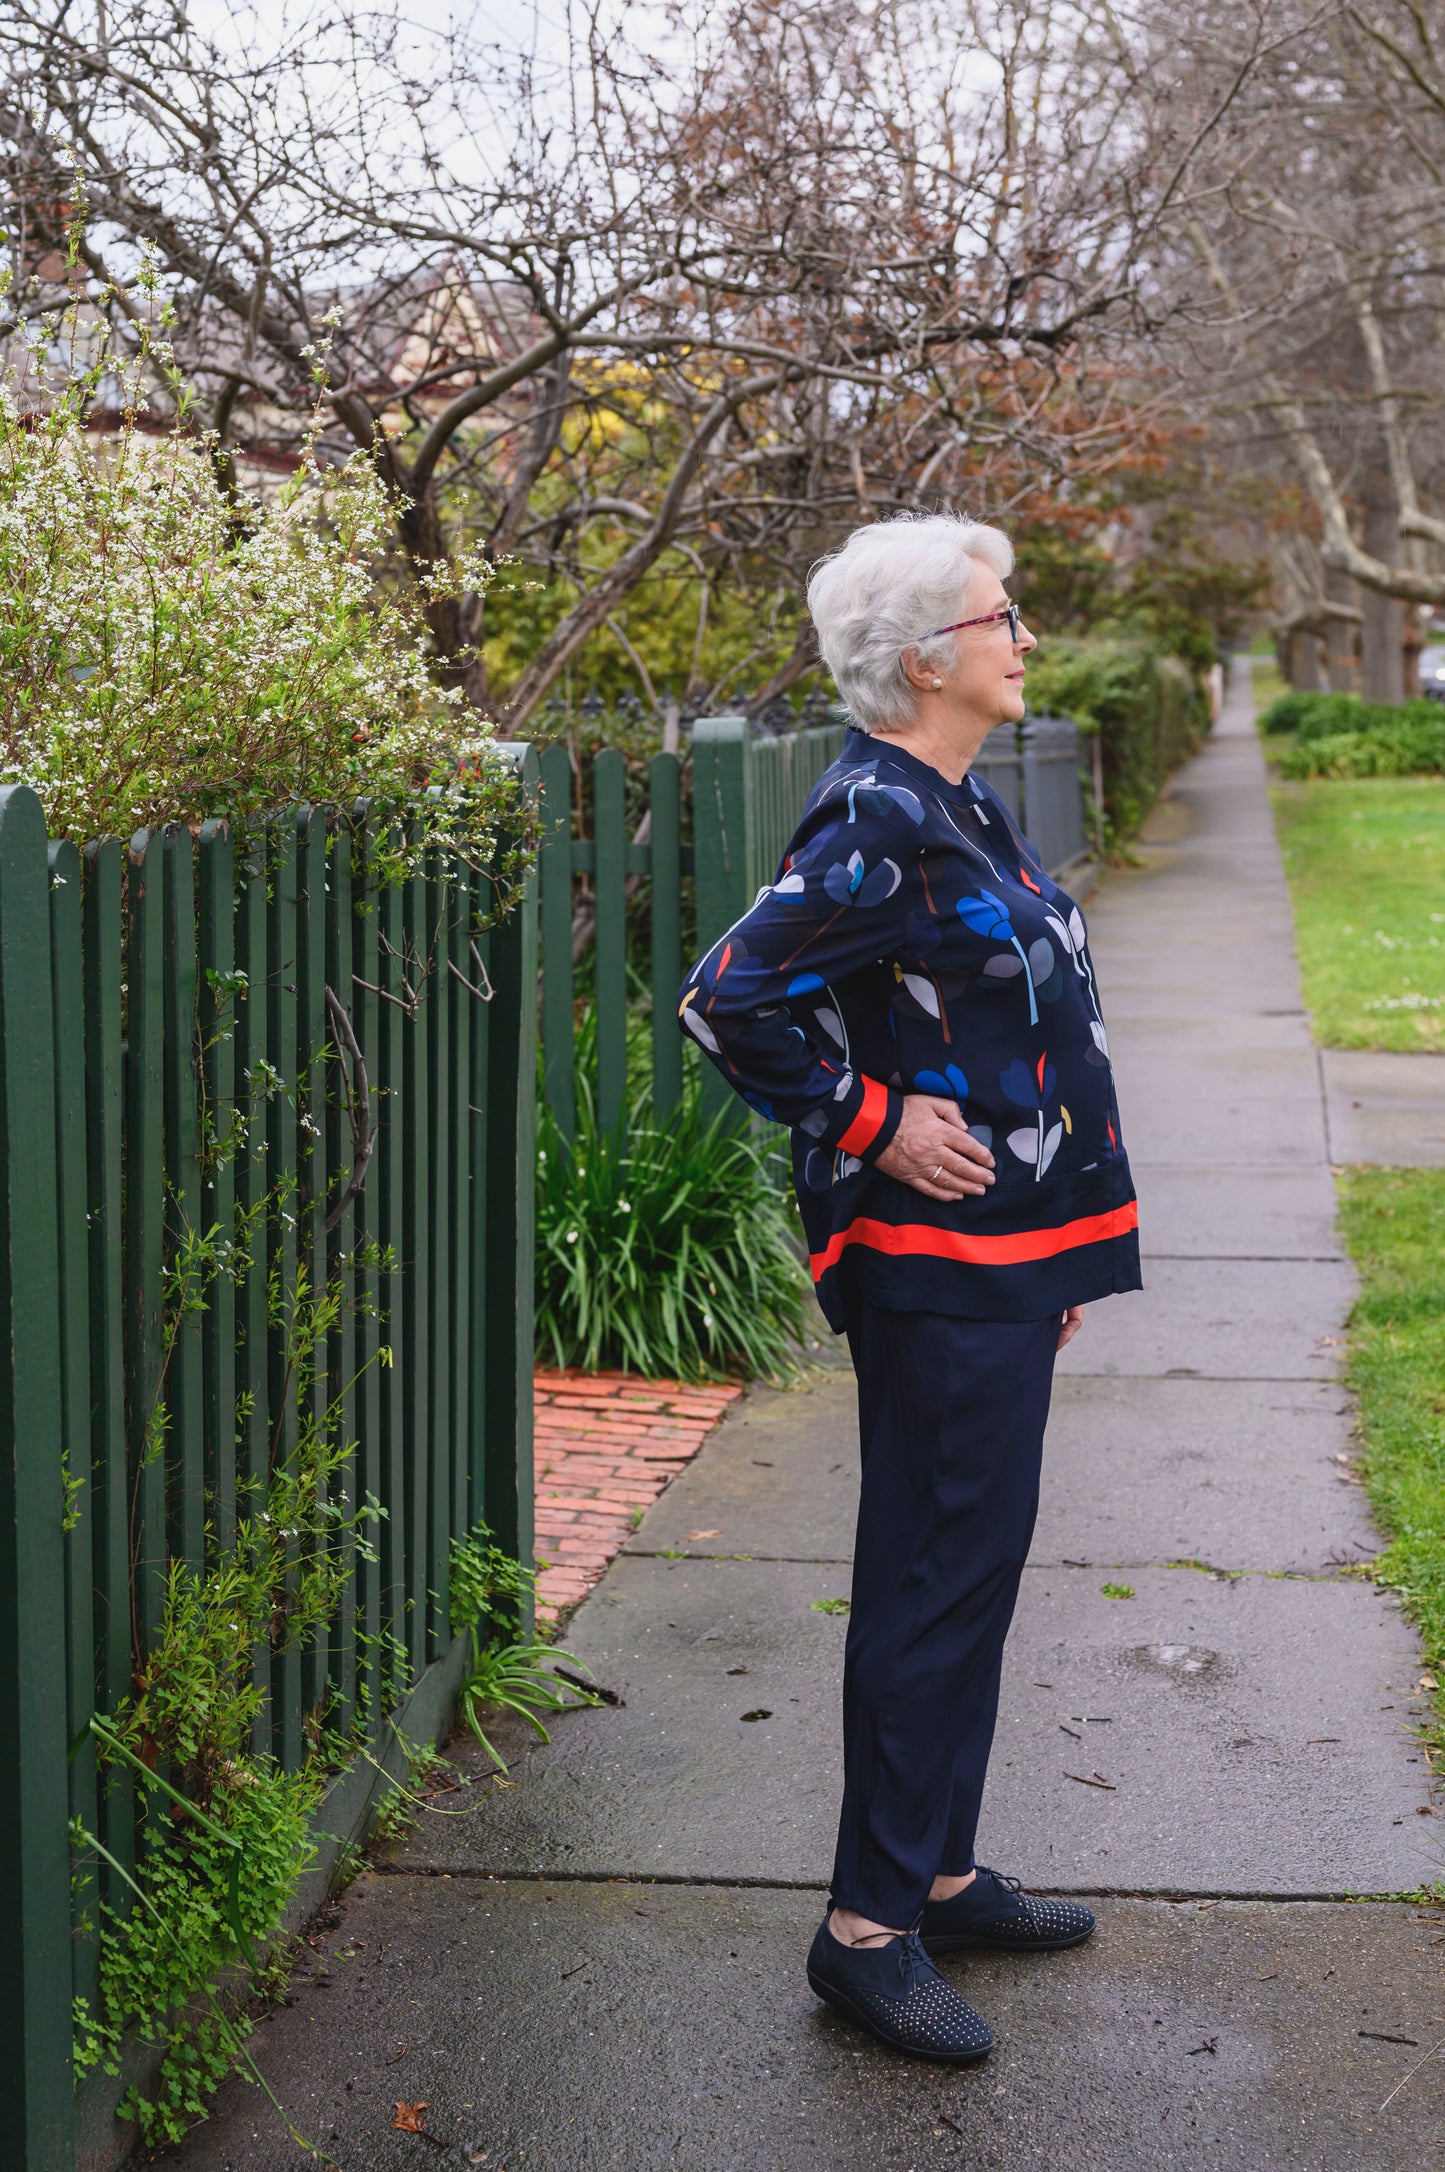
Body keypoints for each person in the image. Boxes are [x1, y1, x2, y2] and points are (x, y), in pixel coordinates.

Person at [677, 512, 1141, 2064]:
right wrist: (873, 1125)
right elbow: (726, 996)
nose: (1025, 637)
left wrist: (1054, 1238)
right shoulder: (878, 813)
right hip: (934, 1270)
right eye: (1004, 616)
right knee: (935, 1580)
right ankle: (865, 1932)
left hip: (1000, 1257)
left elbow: (1008, 1025)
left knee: (974, 1567)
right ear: (928, 657)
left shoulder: (956, 798)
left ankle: (933, 1872)